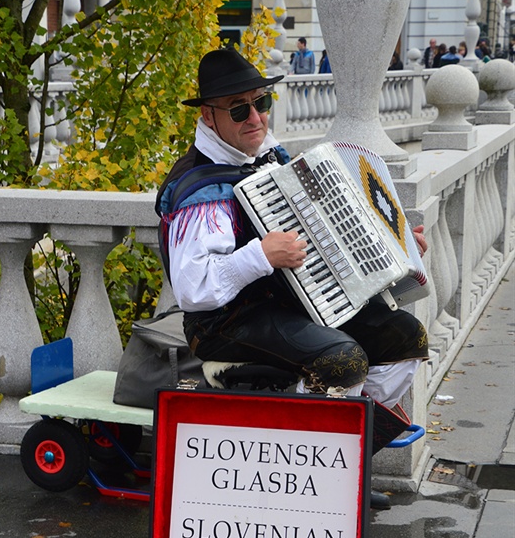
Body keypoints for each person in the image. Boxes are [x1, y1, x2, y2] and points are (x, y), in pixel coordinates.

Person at [155, 48, 429, 453]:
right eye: (238, 109)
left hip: (290, 300)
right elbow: (194, 291)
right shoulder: (200, 190)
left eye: (260, 103)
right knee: (343, 361)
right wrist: (261, 256)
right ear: (208, 117)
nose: (255, 118)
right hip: (223, 323)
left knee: (405, 335)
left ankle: (347, 462)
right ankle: (304, 472)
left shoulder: (270, 157)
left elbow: (327, 227)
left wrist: (399, 245)